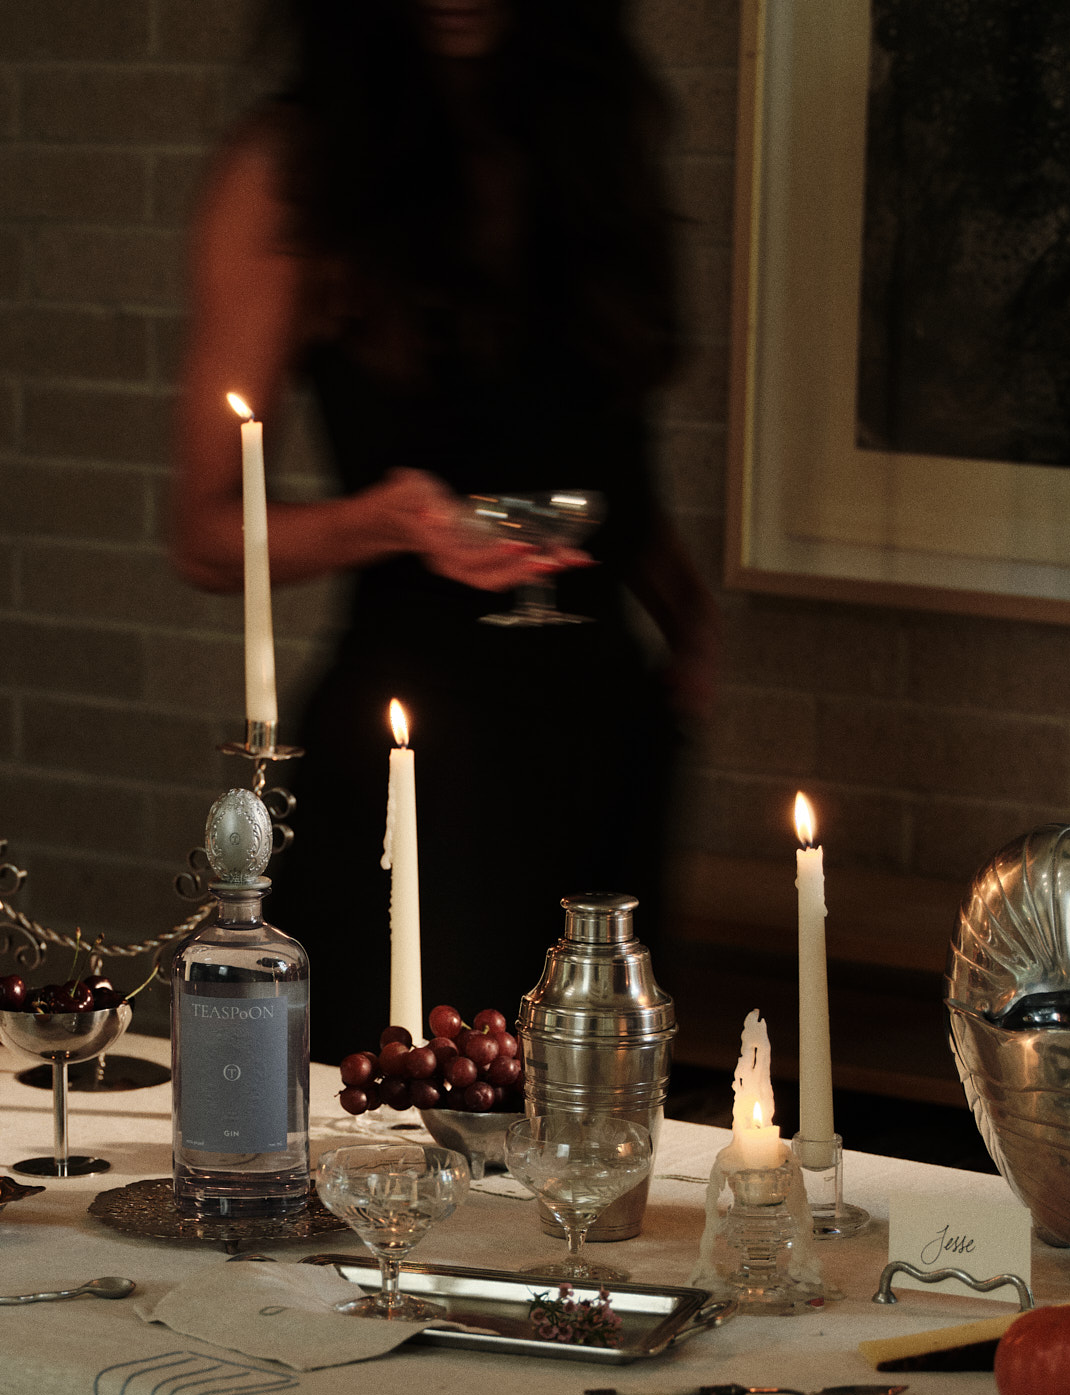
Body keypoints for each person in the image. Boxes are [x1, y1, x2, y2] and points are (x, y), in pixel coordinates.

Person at [168, 0, 719, 1061]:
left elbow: (599, 452)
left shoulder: (585, 141)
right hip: (421, 751)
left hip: (604, 730)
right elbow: (202, 531)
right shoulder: (291, 171)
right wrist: (392, 521)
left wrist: (688, 617)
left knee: (599, 1115)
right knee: (413, 1110)